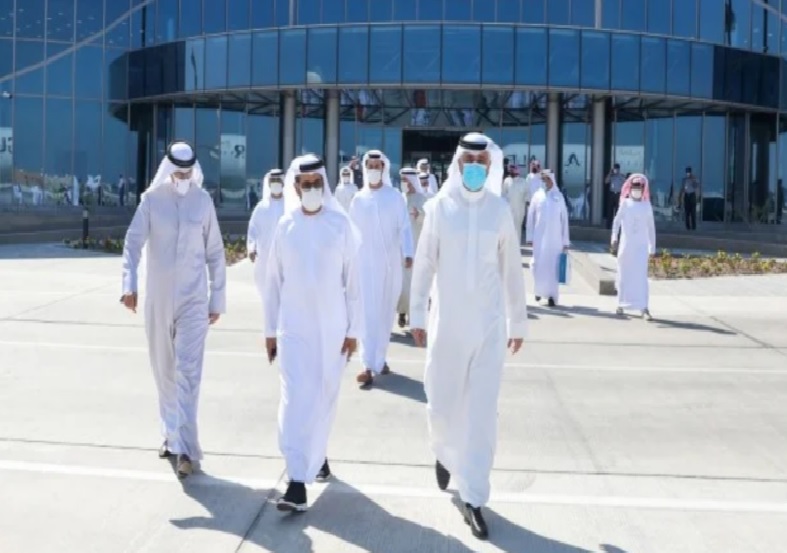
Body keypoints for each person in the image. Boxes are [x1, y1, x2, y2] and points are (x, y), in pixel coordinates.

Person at [410, 132, 527, 540]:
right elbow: (424, 263)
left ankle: (474, 497)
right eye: (469, 161)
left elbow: (511, 269)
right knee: (441, 407)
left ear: (489, 165)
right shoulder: (440, 208)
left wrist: (517, 322)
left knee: (481, 416)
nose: (475, 167)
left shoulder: (499, 211)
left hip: (489, 329)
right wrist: (417, 313)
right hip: (447, 326)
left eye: (482, 161)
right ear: (458, 164)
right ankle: (444, 453)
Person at [121, 141, 226, 479]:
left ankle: (186, 449)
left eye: (187, 172)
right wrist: (129, 285)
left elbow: (215, 252)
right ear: (168, 170)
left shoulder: (203, 201)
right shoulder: (152, 201)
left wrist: (217, 299)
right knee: (164, 371)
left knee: (187, 373)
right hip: (158, 300)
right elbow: (132, 243)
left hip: (194, 301)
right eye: (178, 172)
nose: (183, 178)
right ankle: (170, 433)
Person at [264, 154, 362, 512]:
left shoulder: (340, 224)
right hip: (292, 328)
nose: (311, 189)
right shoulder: (285, 226)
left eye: (316, 183)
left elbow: (353, 283)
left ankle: (316, 456)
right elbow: (272, 282)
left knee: (322, 398)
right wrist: (269, 330)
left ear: (324, 184)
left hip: (332, 330)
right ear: (295, 187)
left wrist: (354, 330)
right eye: (305, 184)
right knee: (294, 399)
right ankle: (296, 480)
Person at [349, 150, 414, 389]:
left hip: (390, 267)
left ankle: (380, 358)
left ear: (384, 168)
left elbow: (404, 227)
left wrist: (408, 253)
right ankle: (367, 365)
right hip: (365, 266)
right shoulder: (358, 200)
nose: (374, 169)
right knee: (367, 314)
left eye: (378, 165)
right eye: (371, 165)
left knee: (385, 315)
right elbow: (351, 233)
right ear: (365, 168)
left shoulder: (394, 197)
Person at [612, 174, 656, 320]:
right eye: (635, 186)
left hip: (641, 248)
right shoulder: (625, 204)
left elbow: (651, 228)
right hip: (626, 247)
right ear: (630, 188)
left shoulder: (646, 205)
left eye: (639, 187)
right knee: (624, 275)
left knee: (641, 277)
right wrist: (614, 238)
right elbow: (616, 222)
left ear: (643, 189)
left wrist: (652, 248)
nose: (637, 189)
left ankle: (644, 307)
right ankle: (620, 304)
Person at [526, 169, 570, 307]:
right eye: (543, 179)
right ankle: (538, 291)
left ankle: (552, 296)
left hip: (555, 240)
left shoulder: (559, 196)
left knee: (553, 267)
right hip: (539, 238)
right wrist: (529, 237)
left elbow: (564, 220)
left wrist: (565, 241)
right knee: (537, 264)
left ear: (552, 180)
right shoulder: (537, 196)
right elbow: (531, 216)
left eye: (547, 179)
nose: (545, 182)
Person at [246, 168, 285, 300]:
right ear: (268, 183)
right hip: (265, 258)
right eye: (273, 180)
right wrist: (251, 248)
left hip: (284, 258)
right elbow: (253, 229)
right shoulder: (261, 207)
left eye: (278, 180)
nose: (276, 183)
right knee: (267, 296)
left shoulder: (290, 205)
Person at [396, 167, 427, 328]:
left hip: (417, 247)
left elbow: (429, 221)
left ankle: (413, 316)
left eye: (405, 180)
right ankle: (401, 312)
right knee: (402, 284)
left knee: (415, 284)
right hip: (400, 249)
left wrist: (420, 216)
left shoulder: (422, 199)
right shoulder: (399, 199)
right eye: (401, 180)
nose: (403, 183)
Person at [502, 164, 527, 242]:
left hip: (519, 211)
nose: (512, 171)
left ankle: (517, 246)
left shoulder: (523, 182)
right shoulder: (507, 181)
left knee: (517, 229)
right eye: (511, 170)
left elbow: (527, 196)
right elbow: (503, 195)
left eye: (514, 169)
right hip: (508, 210)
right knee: (508, 229)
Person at [605, 163, 626, 229]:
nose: (615, 170)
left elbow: (625, 183)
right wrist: (610, 174)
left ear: (619, 169)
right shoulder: (611, 176)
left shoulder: (621, 176)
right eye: (614, 169)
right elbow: (606, 181)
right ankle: (608, 226)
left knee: (618, 210)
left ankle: (617, 226)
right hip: (612, 194)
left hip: (618, 194)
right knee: (610, 210)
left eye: (616, 169)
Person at [680, 166, 700, 231]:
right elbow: (683, 188)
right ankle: (687, 227)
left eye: (688, 172)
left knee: (693, 213)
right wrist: (681, 196)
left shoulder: (694, 179)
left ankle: (694, 227)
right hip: (686, 196)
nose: (687, 173)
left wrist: (693, 180)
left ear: (691, 172)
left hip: (692, 195)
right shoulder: (684, 180)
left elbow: (696, 186)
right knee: (687, 213)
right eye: (687, 172)